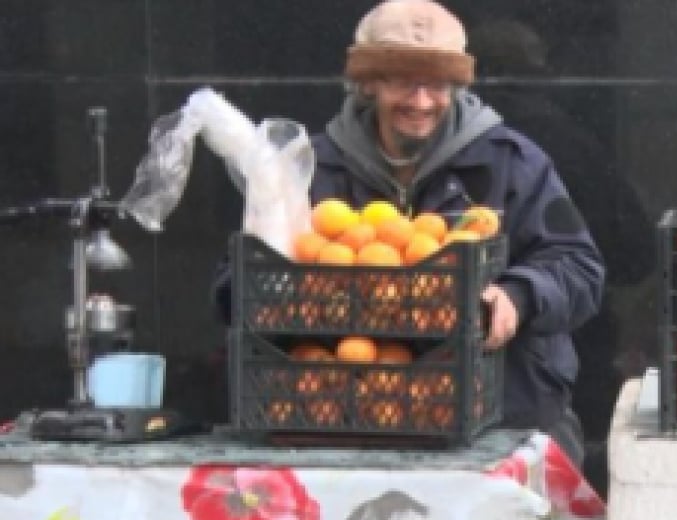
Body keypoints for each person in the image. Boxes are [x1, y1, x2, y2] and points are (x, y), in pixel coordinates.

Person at [215, 0, 606, 457]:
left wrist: (517, 295)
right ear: (368, 83)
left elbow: (580, 267)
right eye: (402, 82)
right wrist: (286, 290)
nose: (421, 102)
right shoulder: (309, 169)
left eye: (438, 85)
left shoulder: (510, 162)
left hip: (504, 421)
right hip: (347, 419)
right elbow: (233, 284)